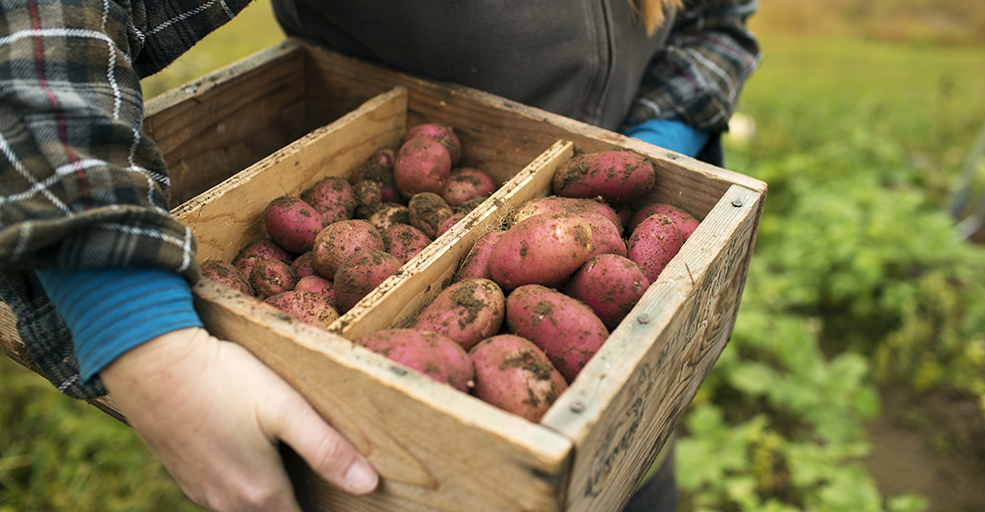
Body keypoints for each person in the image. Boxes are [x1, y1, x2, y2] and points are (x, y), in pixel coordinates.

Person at [0, 0, 759, 510]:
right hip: (369, 446)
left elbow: (721, 19)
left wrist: (663, 138)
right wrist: (138, 333)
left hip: (621, 394)